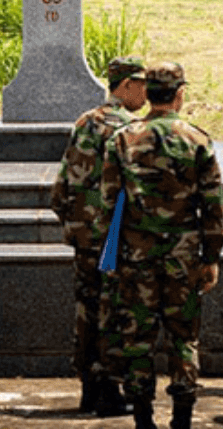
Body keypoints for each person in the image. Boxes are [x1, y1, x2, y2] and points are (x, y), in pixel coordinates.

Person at [97, 62, 223, 429]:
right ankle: (182, 418)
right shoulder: (197, 139)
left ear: (148, 93)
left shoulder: (121, 139)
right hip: (184, 258)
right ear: (180, 93)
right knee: (184, 337)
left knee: (137, 338)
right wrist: (211, 256)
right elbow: (212, 205)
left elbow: (107, 203)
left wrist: (113, 256)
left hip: (135, 257)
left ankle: (142, 419)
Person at [50, 56, 146, 416]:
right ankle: (109, 389)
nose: (146, 91)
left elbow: (62, 184)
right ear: (125, 86)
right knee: (114, 312)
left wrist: (75, 223)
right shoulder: (131, 127)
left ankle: (88, 387)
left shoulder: (85, 122)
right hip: (114, 237)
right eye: (141, 83)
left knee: (86, 311)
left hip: (83, 236)